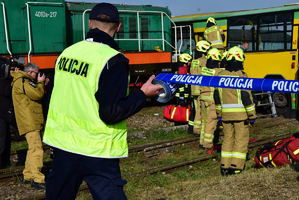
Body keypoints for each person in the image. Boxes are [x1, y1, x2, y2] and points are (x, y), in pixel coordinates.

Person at [42, 3, 162, 199]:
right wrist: (142, 94)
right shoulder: (113, 60)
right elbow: (111, 113)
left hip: (63, 147)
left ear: (90, 23)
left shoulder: (66, 54)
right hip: (99, 152)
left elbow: (50, 101)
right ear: (118, 27)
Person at [214, 46, 256, 176]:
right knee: (240, 141)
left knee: (227, 140)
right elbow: (246, 97)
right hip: (241, 116)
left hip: (225, 116)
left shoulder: (220, 76)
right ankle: (236, 168)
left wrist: (219, 115)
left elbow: (217, 97)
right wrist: (252, 115)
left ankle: (224, 167)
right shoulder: (242, 76)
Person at [11, 62, 49, 190]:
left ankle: (27, 176)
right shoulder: (24, 81)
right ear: (31, 72)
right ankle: (37, 179)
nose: (39, 75)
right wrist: (41, 83)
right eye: (37, 73)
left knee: (32, 149)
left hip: (30, 120)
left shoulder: (21, 81)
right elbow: (37, 94)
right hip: (30, 120)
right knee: (37, 149)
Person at [199, 48, 222, 151]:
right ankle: (207, 145)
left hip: (202, 98)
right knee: (211, 122)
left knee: (204, 121)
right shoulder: (218, 72)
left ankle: (202, 141)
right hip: (212, 100)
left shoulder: (204, 70)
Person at [190, 40, 211, 137]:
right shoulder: (204, 61)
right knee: (200, 110)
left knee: (196, 109)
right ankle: (198, 131)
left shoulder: (195, 61)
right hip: (201, 90)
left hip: (194, 89)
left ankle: (196, 129)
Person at [0, 57, 13, 169]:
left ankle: (5, 162)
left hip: (4, 114)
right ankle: (2, 163)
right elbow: (7, 91)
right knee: (2, 139)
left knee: (6, 139)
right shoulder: (2, 81)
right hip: (2, 114)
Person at [175, 53, 193, 130]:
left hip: (183, 94)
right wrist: (182, 95)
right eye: (189, 61)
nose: (191, 62)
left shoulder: (184, 69)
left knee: (183, 109)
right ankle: (180, 124)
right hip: (181, 94)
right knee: (181, 110)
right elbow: (181, 83)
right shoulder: (182, 69)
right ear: (185, 61)